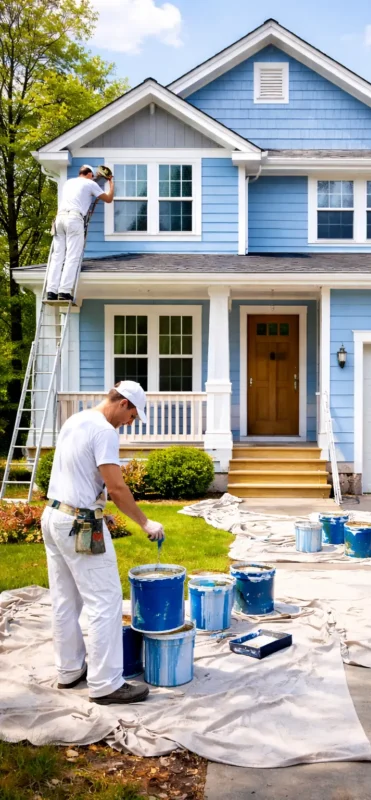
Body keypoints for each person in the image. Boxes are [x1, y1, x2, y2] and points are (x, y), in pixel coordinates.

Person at [41, 381, 164, 705]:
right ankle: (106, 684)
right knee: (105, 601)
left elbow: (78, 474)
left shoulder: (77, 420)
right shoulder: (105, 431)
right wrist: (145, 522)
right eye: (133, 415)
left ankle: (69, 670)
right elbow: (118, 487)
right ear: (122, 403)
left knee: (66, 599)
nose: (131, 423)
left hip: (53, 516)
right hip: (80, 524)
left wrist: (98, 507)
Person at [46, 165, 114, 302]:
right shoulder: (89, 183)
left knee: (57, 256)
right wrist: (111, 183)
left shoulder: (68, 183)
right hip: (74, 219)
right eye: (93, 175)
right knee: (72, 256)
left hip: (59, 219)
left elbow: (81, 192)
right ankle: (64, 291)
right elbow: (108, 199)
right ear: (89, 174)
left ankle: (51, 291)